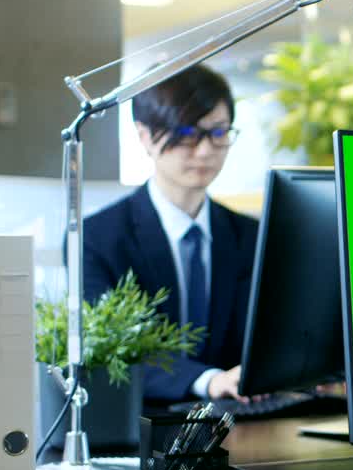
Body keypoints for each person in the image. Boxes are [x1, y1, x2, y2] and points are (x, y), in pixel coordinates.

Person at [83, 64, 258, 403]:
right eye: (187, 133)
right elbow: (115, 349)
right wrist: (208, 381)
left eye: (219, 133)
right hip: (141, 430)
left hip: (243, 424)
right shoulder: (99, 239)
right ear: (144, 136)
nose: (205, 150)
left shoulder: (251, 236)